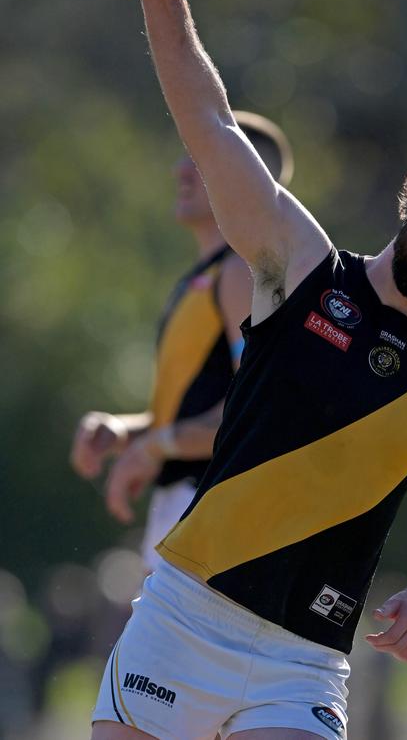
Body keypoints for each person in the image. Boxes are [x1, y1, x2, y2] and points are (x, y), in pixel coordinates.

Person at [91, 0, 407, 740]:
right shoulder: (299, 268)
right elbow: (214, 126)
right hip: (183, 618)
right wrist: (165, 3)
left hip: (304, 663)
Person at [70, 112, 293, 573]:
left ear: (241, 177)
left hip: (211, 512)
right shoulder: (209, 276)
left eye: (198, 158)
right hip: (185, 510)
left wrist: (151, 448)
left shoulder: (239, 274)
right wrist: (126, 431)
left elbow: (254, 412)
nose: (180, 170)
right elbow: (207, 406)